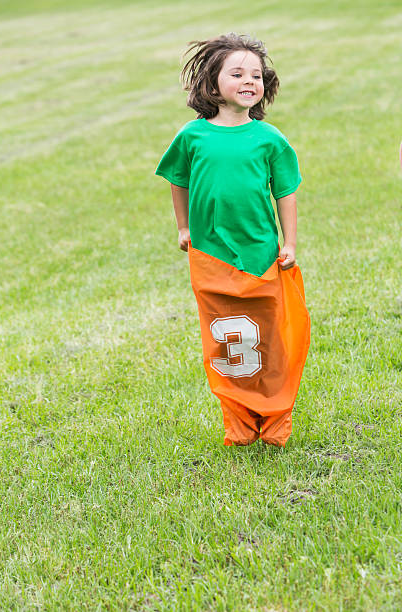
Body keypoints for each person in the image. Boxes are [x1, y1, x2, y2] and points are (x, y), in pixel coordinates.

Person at [155, 33, 309, 447]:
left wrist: (289, 242)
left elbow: (286, 192)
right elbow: (178, 180)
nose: (249, 80)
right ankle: (237, 418)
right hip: (210, 256)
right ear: (212, 83)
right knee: (223, 336)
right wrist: (184, 227)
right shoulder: (192, 136)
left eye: (256, 75)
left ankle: (275, 416)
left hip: (261, 254)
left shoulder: (269, 139)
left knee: (271, 335)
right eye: (237, 73)